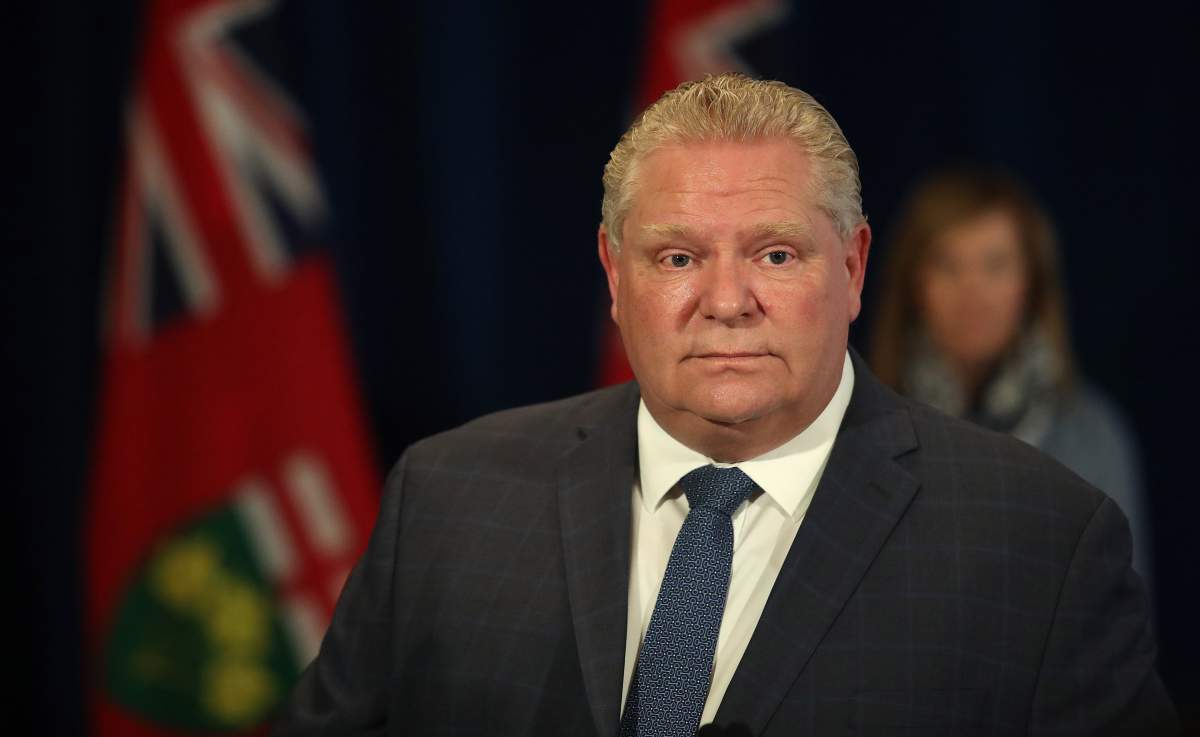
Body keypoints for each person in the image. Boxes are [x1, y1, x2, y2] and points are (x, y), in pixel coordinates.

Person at [273, 74, 1176, 736]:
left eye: (777, 254)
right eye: (677, 257)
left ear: (854, 268)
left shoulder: (1041, 541)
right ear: (613, 276)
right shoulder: (450, 497)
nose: (728, 298)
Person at [869, 168, 1154, 581]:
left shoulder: (1091, 435)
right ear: (914, 284)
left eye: (995, 264)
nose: (973, 291)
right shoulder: (862, 426)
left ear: (1031, 283)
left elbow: (1119, 619)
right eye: (948, 265)